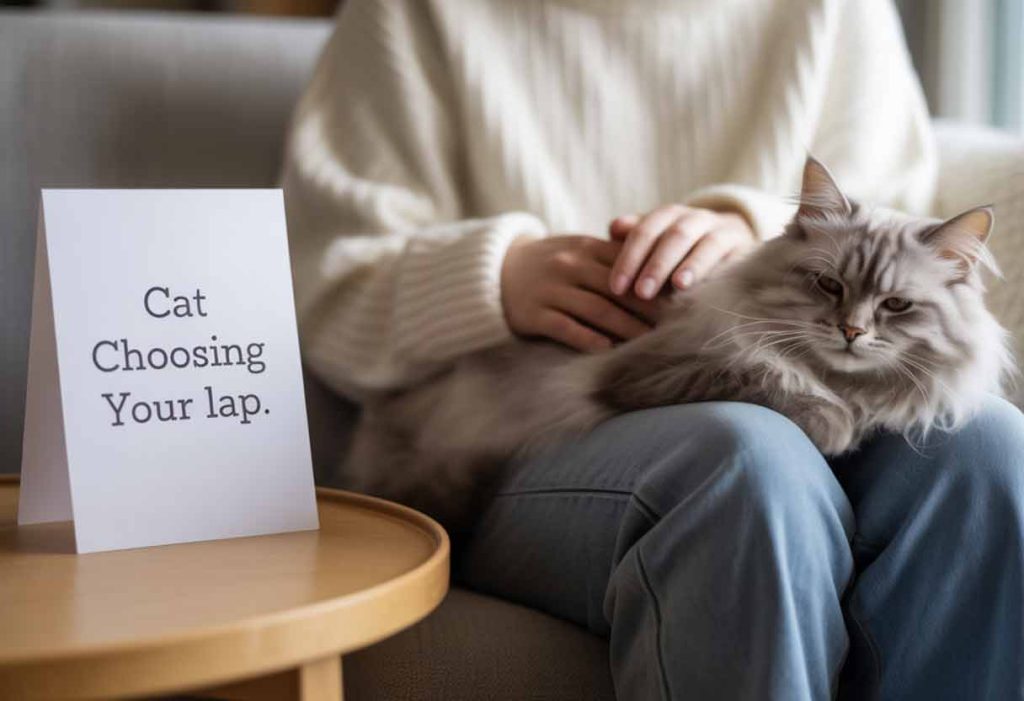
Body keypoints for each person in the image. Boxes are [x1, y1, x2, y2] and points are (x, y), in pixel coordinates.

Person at [281, 0, 1024, 698]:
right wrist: (492, 278)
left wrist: (761, 235)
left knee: (991, 446)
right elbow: (321, 283)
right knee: (745, 461)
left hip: (795, 339)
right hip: (516, 422)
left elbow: (899, 209)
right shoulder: (409, 13)